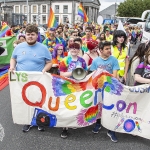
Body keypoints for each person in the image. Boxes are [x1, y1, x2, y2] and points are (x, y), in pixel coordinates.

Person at [9, 25, 52, 132]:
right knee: (24, 101)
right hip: (22, 81)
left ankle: (40, 121)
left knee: (39, 101)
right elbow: (13, 58)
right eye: (28, 34)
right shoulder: (19, 47)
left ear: (37, 35)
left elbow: (49, 62)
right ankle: (27, 121)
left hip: (38, 81)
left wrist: (44, 70)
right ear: (25, 35)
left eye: (32, 34)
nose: (30, 37)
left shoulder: (43, 48)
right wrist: (12, 67)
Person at [90, 41, 120, 143]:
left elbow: (115, 76)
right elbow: (92, 75)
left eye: (109, 48)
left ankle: (111, 130)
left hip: (110, 88)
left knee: (110, 107)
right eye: (106, 49)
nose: (109, 51)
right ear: (101, 50)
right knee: (98, 106)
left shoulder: (114, 60)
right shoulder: (96, 61)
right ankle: (98, 123)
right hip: (98, 89)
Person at [59, 42, 87, 138]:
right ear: (69, 49)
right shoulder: (65, 60)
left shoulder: (82, 61)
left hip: (78, 86)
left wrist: (81, 74)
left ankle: (73, 122)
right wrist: (73, 72)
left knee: (76, 105)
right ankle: (64, 128)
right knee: (66, 106)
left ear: (79, 50)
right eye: (72, 48)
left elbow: (85, 72)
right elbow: (62, 74)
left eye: (76, 48)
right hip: (66, 86)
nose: (74, 50)